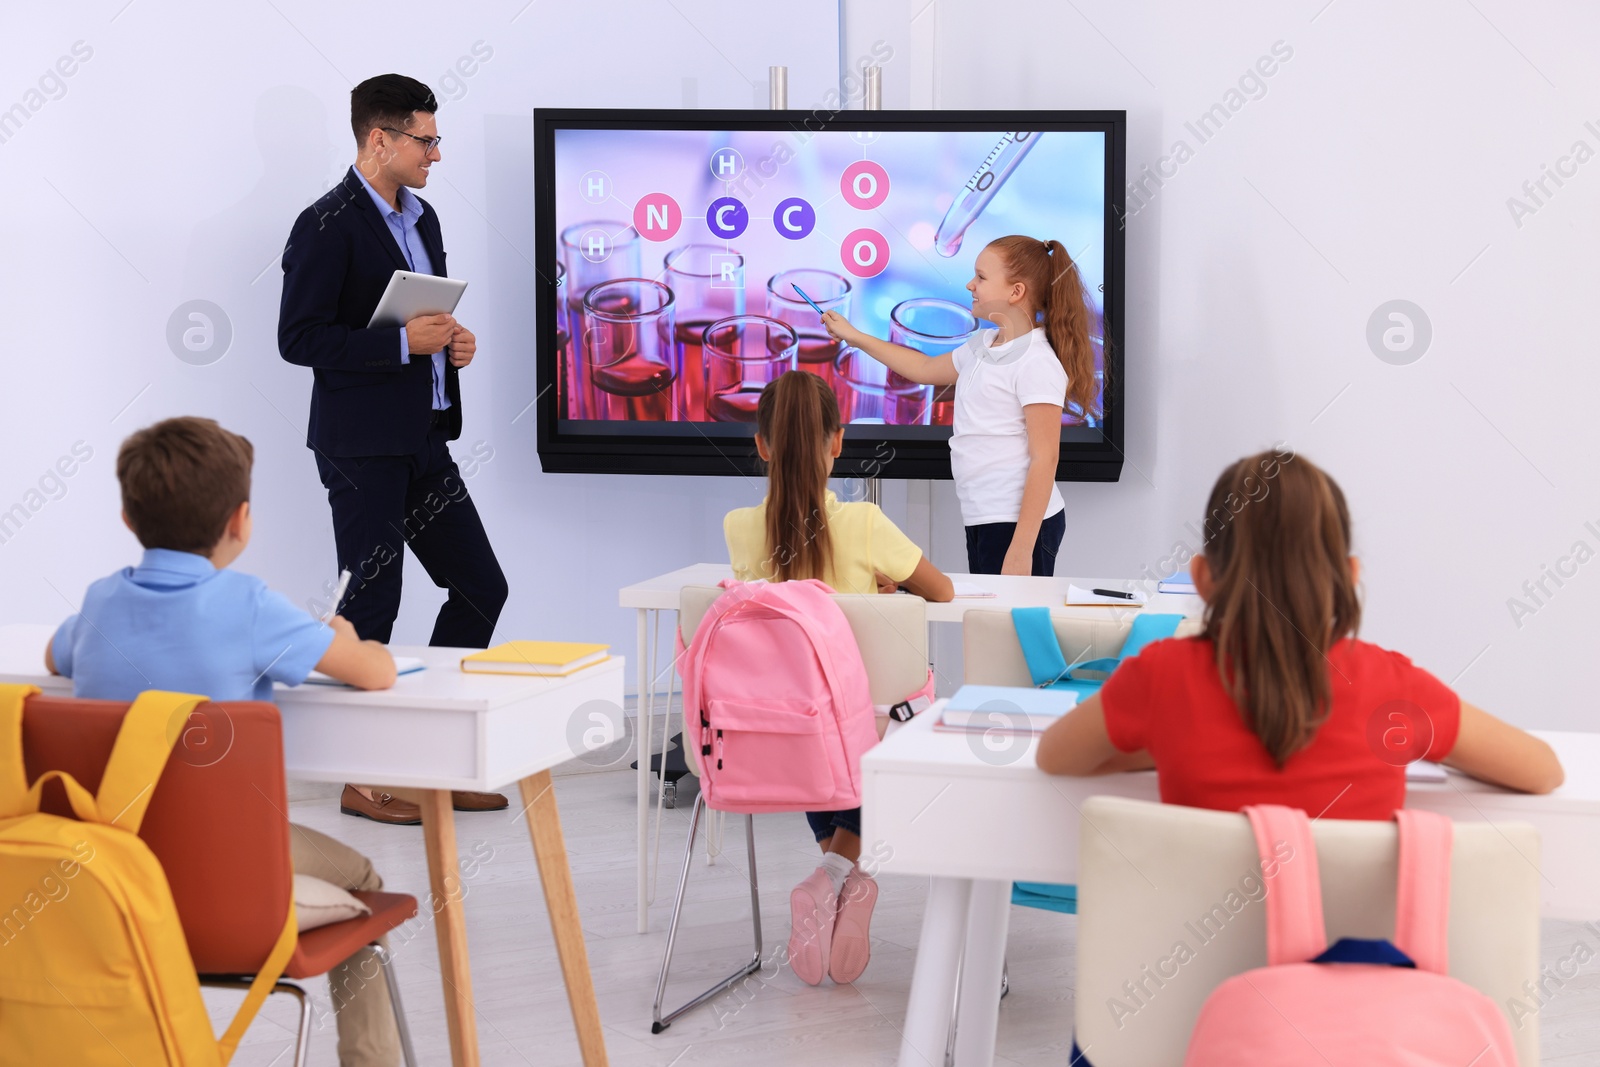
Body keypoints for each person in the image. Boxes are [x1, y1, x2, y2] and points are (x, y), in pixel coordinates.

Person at [46, 417, 406, 1067]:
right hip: (227, 894)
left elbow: (54, 656)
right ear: (241, 520)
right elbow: (376, 673)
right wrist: (346, 638)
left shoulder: (100, 602)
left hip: (108, 886)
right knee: (364, 876)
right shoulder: (249, 604)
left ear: (128, 517)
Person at [1036, 450, 1564, 818]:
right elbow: (1543, 771)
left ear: (1201, 578)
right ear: (1350, 575)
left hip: (1202, 978)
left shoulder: (1160, 678)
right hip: (1345, 976)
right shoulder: (1396, 694)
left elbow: (1054, 757)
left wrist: (1165, 742)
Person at [278, 73, 509, 821]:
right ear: (379, 138)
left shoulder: (426, 216)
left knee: (480, 588)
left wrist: (450, 344)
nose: (436, 154)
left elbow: (423, 310)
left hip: (424, 440)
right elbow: (299, 339)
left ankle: (428, 763)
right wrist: (402, 345)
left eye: (436, 139)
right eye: (425, 139)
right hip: (360, 446)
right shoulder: (325, 224)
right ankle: (361, 775)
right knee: (374, 603)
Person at [723, 370, 953, 987]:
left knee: (825, 732)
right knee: (879, 722)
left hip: (789, 729)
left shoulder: (741, 526)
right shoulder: (866, 524)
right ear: (838, 442)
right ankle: (836, 879)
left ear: (763, 446)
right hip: (872, 731)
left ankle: (838, 874)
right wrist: (885, 585)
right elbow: (941, 591)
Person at [822, 235, 1097, 576]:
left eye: (981, 277)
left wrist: (1021, 550)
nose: (971, 284)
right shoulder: (982, 344)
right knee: (986, 623)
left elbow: (1045, 458)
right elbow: (922, 369)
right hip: (985, 516)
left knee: (1007, 627)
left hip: (1018, 524)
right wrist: (855, 335)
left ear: (1016, 292)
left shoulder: (1036, 362)